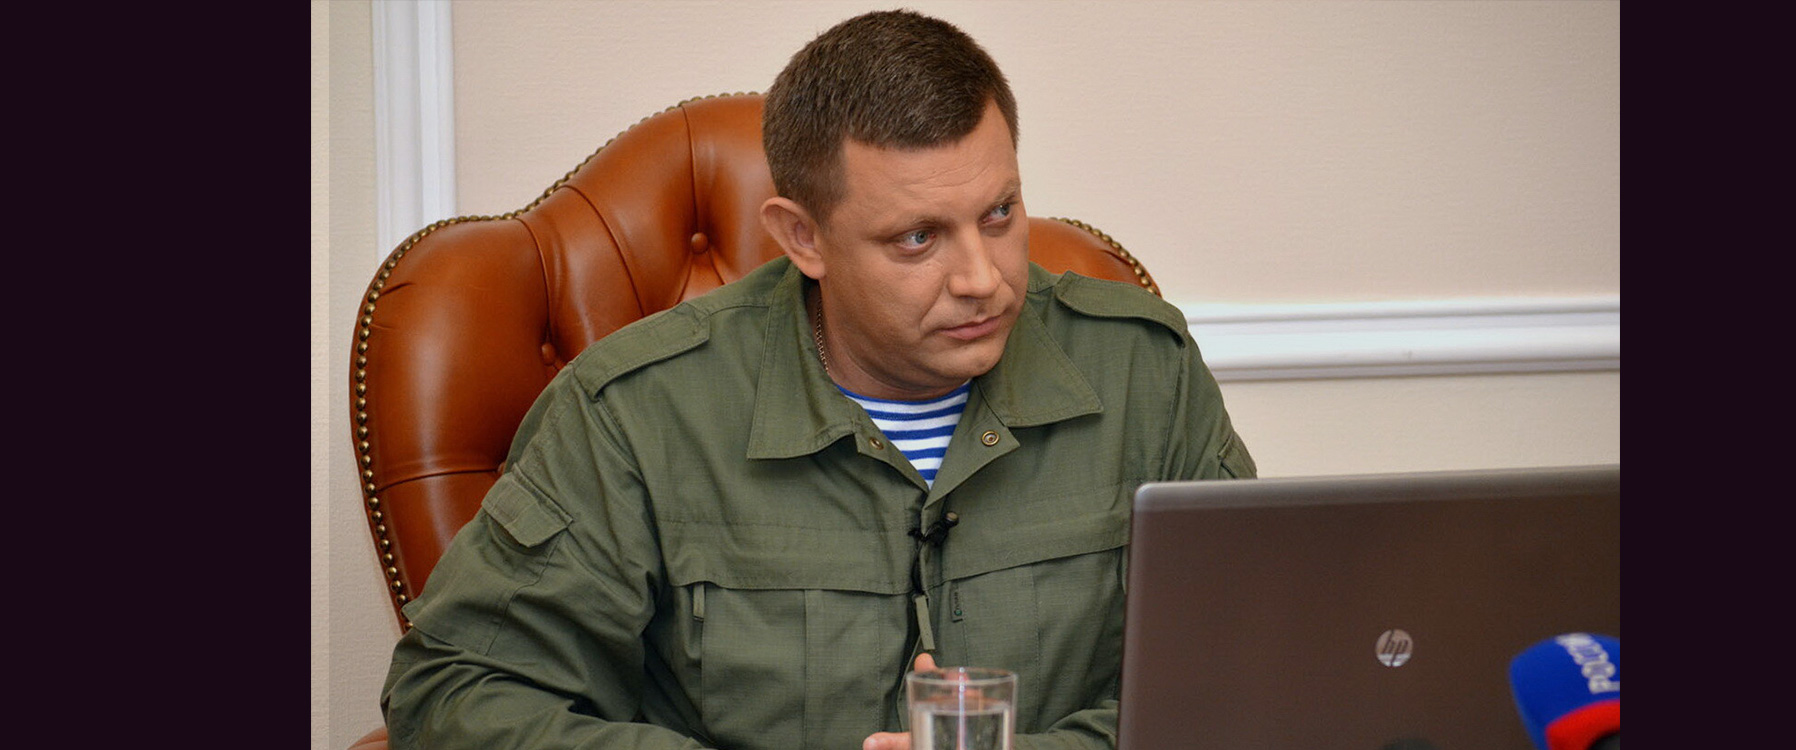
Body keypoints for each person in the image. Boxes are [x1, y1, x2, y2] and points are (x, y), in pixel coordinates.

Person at [379, 10, 1256, 750]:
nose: (982, 278)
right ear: (803, 238)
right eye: (917, 237)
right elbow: (453, 690)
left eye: (998, 213)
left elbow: (1249, 663)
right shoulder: (637, 413)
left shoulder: (1146, 372)